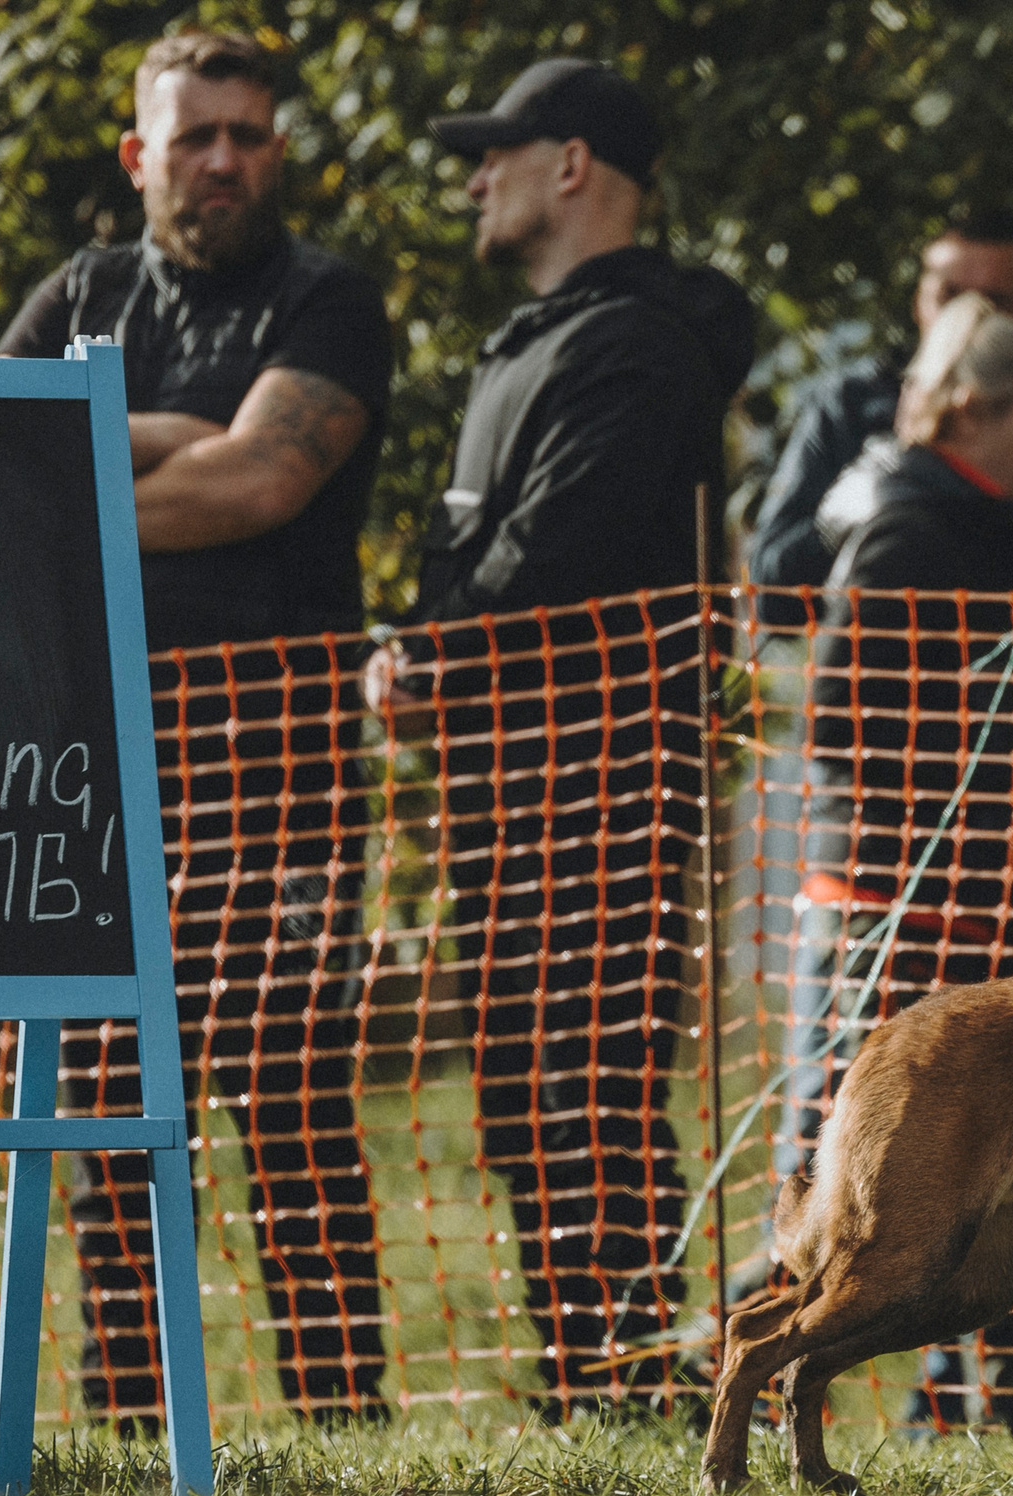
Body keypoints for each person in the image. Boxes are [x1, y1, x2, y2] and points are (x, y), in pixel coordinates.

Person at [0, 29, 392, 1428]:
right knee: (104, 1111)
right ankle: (132, 1421)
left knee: (288, 1106)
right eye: (195, 135)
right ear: (139, 155)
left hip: (277, 777)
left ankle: (344, 1415)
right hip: (96, 780)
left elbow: (262, 480)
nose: (224, 157)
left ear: (275, 150)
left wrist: (99, 466)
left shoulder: (329, 304)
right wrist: (174, 432)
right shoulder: (82, 297)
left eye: (248, 132)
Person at [370, 57, 756, 1420]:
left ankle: (629, 1380)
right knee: (524, 1091)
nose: (476, 176)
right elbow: (476, 546)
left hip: (605, 773)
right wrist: (421, 646)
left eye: (500, 150)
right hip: (500, 774)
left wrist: (430, 646)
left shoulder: (640, 347)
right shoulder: (527, 342)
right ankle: (571, 1378)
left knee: (590, 1083)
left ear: (575, 165)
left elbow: (554, 553)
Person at [781, 295, 1013, 1432]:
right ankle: (783, 1373)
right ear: (970, 412)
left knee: (989, 1155)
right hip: (893, 898)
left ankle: (967, 1403)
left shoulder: (1009, 530)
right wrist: (988, 783)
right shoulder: (911, 534)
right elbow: (840, 724)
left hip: (974, 894)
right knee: (875, 1162)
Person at [748, 213, 1013, 606]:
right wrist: (894, 483)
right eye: (950, 296)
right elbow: (773, 584)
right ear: (919, 302)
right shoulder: (854, 404)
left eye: (994, 302)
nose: (966, 318)